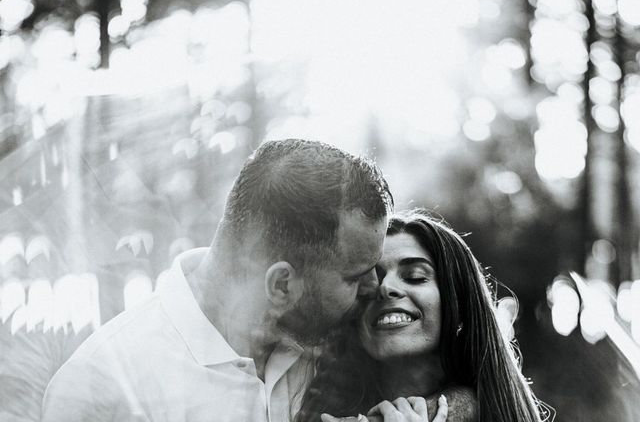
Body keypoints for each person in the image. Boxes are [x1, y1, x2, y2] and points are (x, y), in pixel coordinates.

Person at [41, 139, 393, 422]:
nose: (376, 288)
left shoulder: (340, 348)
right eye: (356, 276)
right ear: (282, 285)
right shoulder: (102, 386)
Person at [297, 210, 548, 422]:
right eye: (371, 278)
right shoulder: (305, 399)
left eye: (415, 276)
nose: (385, 287)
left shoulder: (492, 408)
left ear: (459, 304)